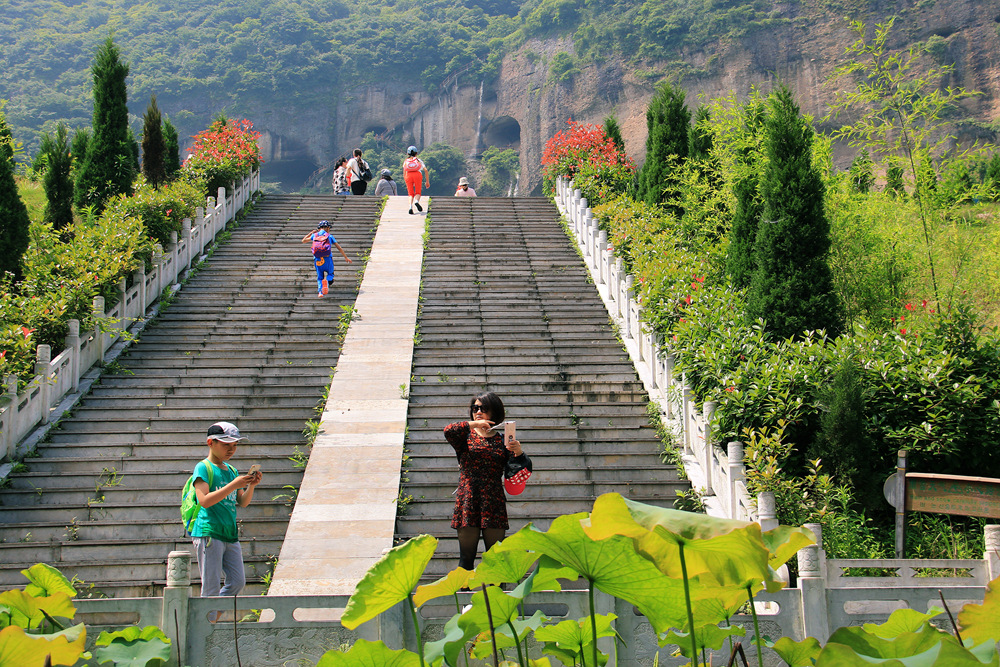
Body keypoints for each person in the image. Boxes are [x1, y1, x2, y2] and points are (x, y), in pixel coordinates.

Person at [443, 391, 527, 570]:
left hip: (493, 500)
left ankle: (497, 597)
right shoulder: (465, 438)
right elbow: (449, 430)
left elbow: (518, 470)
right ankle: (465, 595)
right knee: (466, 559)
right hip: (468, 499)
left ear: (494, 412)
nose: (478, 412)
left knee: (497, 560)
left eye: (483, 409)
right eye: (475, 408)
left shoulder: (502, 441)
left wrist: (519, 452)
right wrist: (474, 425)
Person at [189, 421, 262, 599]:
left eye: (235, 445)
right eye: (226, 445)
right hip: (209, 532)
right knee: (211, 587)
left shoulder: (231, 470)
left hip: (229, 533)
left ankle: (211, 618)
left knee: (237, 582)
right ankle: (209, 623)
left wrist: (251, 486)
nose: (231, 450)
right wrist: (233, 485)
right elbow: (204, 501)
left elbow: (242, 502)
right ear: (210, 443)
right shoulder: (203, 467)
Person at [301, 220, 352, 298]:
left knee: (320, 277)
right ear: (327, 228)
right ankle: (327, 283)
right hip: (327, 259)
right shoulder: (329, 236)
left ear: (319, 228)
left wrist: (311, 233)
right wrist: (345, 257)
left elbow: (303, 240)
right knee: (330, 274)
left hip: (317, 259)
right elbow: (339, 248)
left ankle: (320, 292)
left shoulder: (314, 235)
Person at [402, 146, 429, 215]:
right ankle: (416, 201)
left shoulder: (406, 161)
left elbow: (404, 172)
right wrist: (427, 181)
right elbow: (425, 170)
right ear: (416, 153)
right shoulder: (418, 160)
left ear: (408, 153)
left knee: (410, 193)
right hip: (417, 175)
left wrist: (406, 180)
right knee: (418, 192)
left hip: (408, 175)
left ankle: (410, 207)